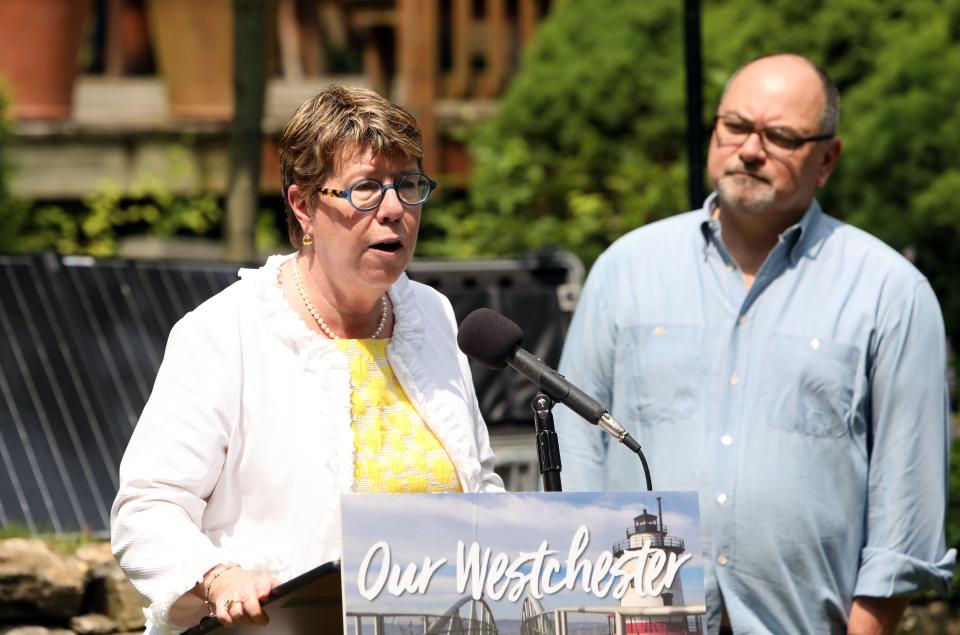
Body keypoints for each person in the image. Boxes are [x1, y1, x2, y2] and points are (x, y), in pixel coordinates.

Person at [553, 54, 955, 634]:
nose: (748, 149)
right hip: (639, 625)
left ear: (827, 159)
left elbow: (907, 511)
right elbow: (578, 447)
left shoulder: (890, 292)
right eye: (735, 126)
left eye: (781, 136)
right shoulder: (626, 268)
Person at [111, 86, 504, 634]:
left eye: (408, 186)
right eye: (366, 189)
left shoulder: (433, 316)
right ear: (303, 207)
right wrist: (219, 577)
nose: (394, 210)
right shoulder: (226, 332)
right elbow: (147, 508)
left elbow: (480, 485)